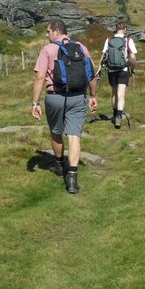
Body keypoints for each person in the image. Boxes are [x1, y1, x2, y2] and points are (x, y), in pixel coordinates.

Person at [31, 19, 98, 194]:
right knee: (74, 135)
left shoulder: (48, 50)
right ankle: (73, 179)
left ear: (56, 31)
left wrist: (35, 102)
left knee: (56, 131)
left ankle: (60, 165)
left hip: (55, 97)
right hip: (78, 96)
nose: (47, 35)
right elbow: (91, 74)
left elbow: (39, 77)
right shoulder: (81, 48)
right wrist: (93, 95)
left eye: (48, 31)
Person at [100, 21, 137, 129]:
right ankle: (119, 117)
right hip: (123, 70)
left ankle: (115, 114)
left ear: (116, 29)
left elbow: (103, 56)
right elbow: (133, 58)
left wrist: (99, 69)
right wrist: (132, 68)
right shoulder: (128, 40)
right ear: (124, 29)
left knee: (114, 93)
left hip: (111, 70)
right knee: (121, 94)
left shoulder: (109, 40)